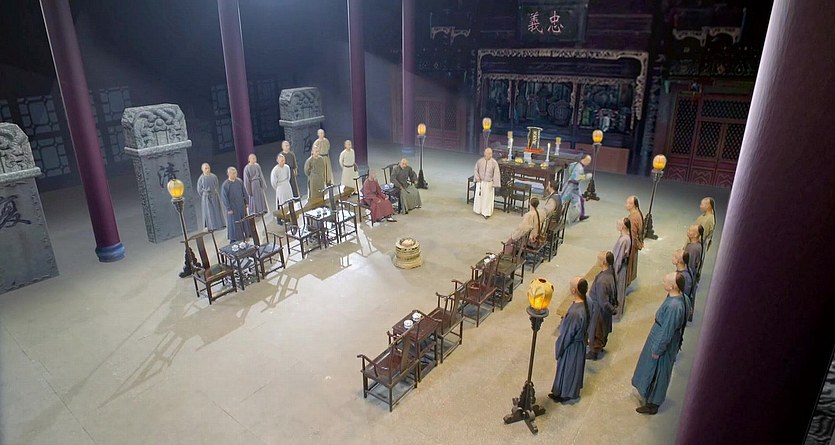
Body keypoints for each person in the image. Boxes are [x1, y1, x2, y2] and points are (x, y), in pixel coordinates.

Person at [631, 272, 687, 415]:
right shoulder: (680, 298)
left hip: (662, 343)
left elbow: (667, 331)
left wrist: (657, 350)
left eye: (666, 282)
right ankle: (650, 397)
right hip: (661, 337)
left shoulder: (674, 307)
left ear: (673, 286)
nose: (663, 282)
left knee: (658, 373)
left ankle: (653, 404)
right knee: (654, 371)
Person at [549, 276, 590, 403]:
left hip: (572, 346)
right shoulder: (587, 302)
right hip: (579, 343)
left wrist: (559, 348)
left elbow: (567, 334)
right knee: (573, 369)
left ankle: (565, 393)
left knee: (568, 370)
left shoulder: (575, 313)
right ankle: (565, 391)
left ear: (573, 290)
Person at [587, 252, 617, 360]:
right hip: (603, 310)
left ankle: (594, 351)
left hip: (598, 310)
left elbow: (603, 301)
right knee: (602, 329)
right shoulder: (610, 273)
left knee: (596, 330)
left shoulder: (602, 281)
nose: (597, 261)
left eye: (599, 259)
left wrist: (612, 310)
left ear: (604, 262)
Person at [560, 154, 592, 222]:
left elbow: (570, 168)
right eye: (588, 161)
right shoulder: (579, 168)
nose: (589, 162)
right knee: (563, 200)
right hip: (571, 186)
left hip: (575, 185)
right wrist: (585, 177)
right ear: (584, 160)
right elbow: (576, 177)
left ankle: (581, 215)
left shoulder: (576, 164)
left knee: (580, 199)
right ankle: (557, 214)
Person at [220, 167, 249, 242]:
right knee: (234, 223)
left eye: (235, 173)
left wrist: (246, 202)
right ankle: (235, 237)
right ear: (228, 174)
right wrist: (228, 209)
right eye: (233, 173)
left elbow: (244, 192)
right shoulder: (225, 185)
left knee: (244, 220)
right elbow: (224, 198)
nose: (234, 175)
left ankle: (246, 234)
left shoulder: (239, 181)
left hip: (241, 205)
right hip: (233, 207)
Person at [195, 163, 225, 232]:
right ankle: (211, 226)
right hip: (206, 197)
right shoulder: (201, 179)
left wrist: (214, 192)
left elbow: (217, 185)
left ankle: (219, 224)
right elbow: (199, 190)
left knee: (216, 210)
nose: (207, 170)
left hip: (214, 196)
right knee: (209, 212)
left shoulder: (214, 176)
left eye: (208, 168)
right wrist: (205, 195)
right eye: (205, 168)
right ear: (202, 169)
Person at [472, 148, 501, 219]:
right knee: (479, 197)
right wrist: (477, 178)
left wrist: (495, 184)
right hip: (480, 182)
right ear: (485, 153)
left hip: (489, 183)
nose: (490, 155)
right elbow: (475, 170)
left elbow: (496, 174)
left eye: (491, 153)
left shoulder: (494, 162)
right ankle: (478, 210)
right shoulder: (480, 161)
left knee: (487, 199)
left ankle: (486, 213)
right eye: (489, 153)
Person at [613, 217, 632, 320]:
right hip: (621, 266)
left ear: (623, 227)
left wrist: (614, 272)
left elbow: (619, 258)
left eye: (618, 224)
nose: (617, 226)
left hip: (620, 268)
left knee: (618, 290)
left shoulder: (624, 240)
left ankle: (616, 314)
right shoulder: (624, 237)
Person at [626, 196, 645, 286]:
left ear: (633, 205)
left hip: (632, 245)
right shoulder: (637, 213)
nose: (626, 205)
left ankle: (626, 281)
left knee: (629, 264)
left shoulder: (633, 218)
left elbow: (632, 235)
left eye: (628, 203)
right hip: (634, 243)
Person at [674, 249, 695, 322]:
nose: (672, 258)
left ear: (678, 261)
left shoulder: (684, 277)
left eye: (674, 257)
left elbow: (685, 294)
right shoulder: (687, 270)